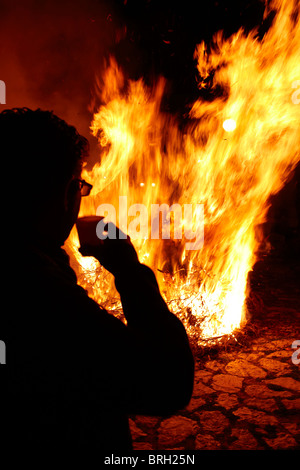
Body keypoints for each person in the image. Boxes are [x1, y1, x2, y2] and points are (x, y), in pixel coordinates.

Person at [1, 108, 194, 451]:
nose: (81, 196)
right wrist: (129, 269)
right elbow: (167, 382)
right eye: (79, 184)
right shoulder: (39, 293)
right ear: (64, 193)